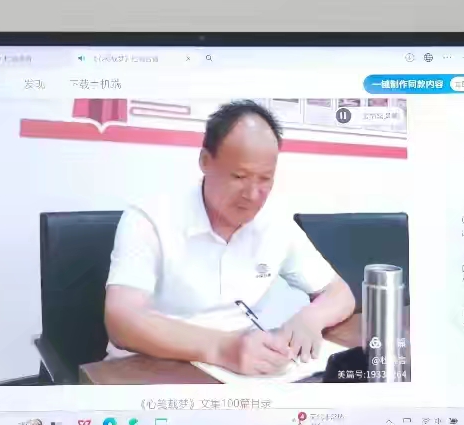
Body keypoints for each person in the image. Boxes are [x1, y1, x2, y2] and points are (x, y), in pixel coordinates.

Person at [104, 100, 356, 376]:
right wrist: (221, 348)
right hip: (147, 371)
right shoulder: (150, 219)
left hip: (235, 374)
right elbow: (122, 320)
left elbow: (339, 293)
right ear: (205, 161)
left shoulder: (275, 222)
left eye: (265, 179)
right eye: (239, 176)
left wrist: (310, 318)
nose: (252, 194)